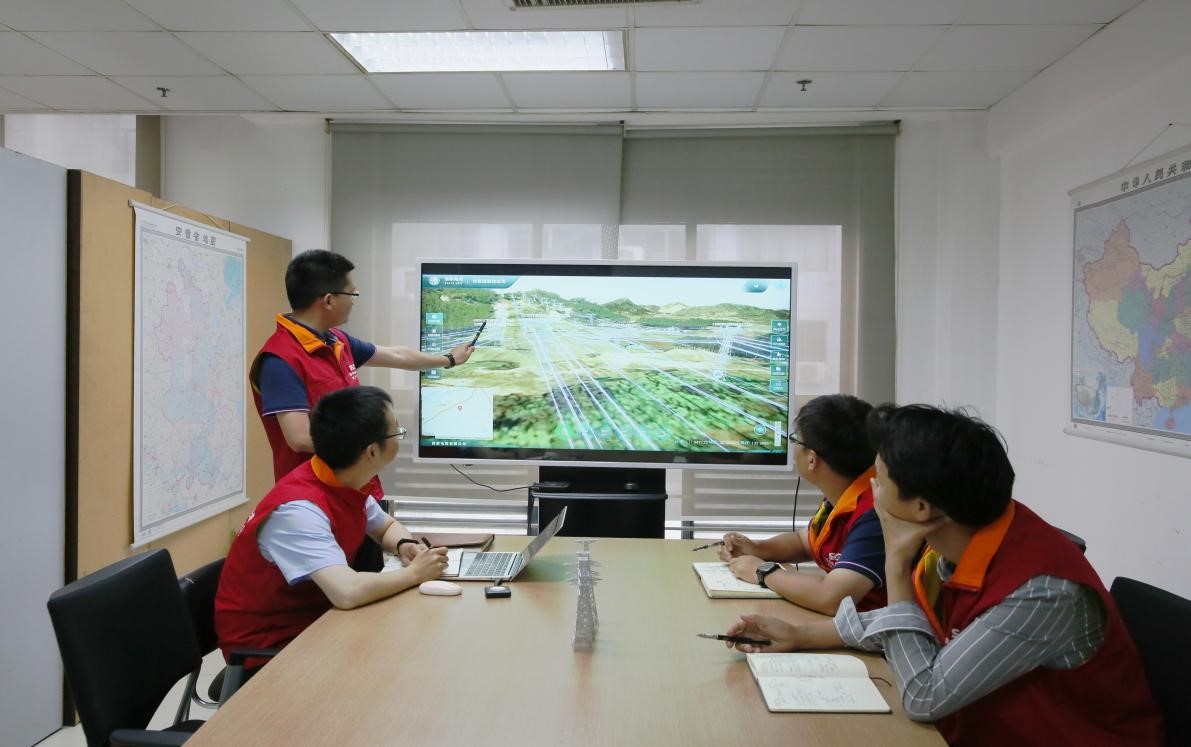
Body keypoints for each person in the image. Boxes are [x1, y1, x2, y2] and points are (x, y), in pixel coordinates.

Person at [724, 404, 1163, 746]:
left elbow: (924, 696)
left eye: (881, 479)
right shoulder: (962, 535)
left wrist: (895, 566)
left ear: (920, 508)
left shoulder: (1041, 592)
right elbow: (927, 621)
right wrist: (800, 635)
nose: (871, 488)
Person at [215, 386, 449, 665]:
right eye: (396, 431)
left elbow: (385, 527)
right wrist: (414, 574)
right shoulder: (299, 511)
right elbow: (347, 592)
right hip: (270, 649)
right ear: (372, 451)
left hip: (317, 620)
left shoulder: (338, 477)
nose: (400, 435)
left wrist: (405, 545)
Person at [251, 249, 475, 481]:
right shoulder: (280, 360)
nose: (353, 300)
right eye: (352, 294)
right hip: (315, 490)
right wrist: (373, 439)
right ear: (329, 300)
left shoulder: (336, 340)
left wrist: (449, 359)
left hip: (357, 483)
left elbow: (398, 356)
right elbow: (300, 438)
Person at [718, 394, 887, 614]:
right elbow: (804, 542)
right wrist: (757, 548)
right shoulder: (846, 493)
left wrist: (762, 571)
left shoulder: (875, 512)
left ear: (812, 459)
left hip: (874, 631)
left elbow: (832, 598)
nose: (793, 447)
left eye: (795, 440)